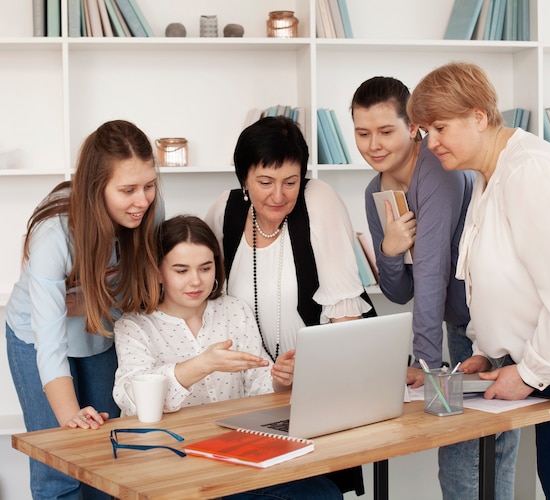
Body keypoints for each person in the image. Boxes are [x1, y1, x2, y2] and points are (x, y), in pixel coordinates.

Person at [407, 61, 550, 499]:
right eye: (425, 132)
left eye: (440, 128)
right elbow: (508, 282)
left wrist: (528, 372)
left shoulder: (530, 172)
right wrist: (489, 354)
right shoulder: (492, 176)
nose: (431, 143)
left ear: (479, 117)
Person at [351, 76, 520, 499]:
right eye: (362, 132)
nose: (374, 144)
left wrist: (426, 371)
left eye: (385, 131)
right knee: (467, 457)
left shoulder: (437, 170)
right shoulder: (375, 191)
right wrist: (390, 249)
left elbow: (431, 274)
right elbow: (398, 291)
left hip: (489, 324)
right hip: (460, 327)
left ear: (412, 128)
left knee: (475, 456)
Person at [113, 214, 343, 500]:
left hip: (237, 454)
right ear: (158, 271)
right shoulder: (134, 325)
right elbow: (129, 397)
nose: (196, 281)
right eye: (181, 270)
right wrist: (201, 365)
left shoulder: (234, 310)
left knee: (322, 493)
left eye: (205, 268)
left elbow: (257, 380)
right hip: (169, 464)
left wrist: (279, 380)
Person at [205, 115, 374, 495]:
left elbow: (344, 313)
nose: (278, 195)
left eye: (290, 182)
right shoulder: (225, 211)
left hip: (314, 389)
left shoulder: (318, 200)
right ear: (243, 178)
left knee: (316, 489)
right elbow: (202, 294)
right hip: (246, 396)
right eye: (265, 182)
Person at [5, 119, 162, 500]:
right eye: (128, 189)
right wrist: (68, 418)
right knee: (61, 466)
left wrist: (89, 302)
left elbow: (144, 293)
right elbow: (50, 341)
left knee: (110, 458)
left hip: (98, 332)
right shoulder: (53, 236)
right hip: (36, 339)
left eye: (149, 185)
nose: (142, 200)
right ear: (97, 189)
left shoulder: (141, 215)